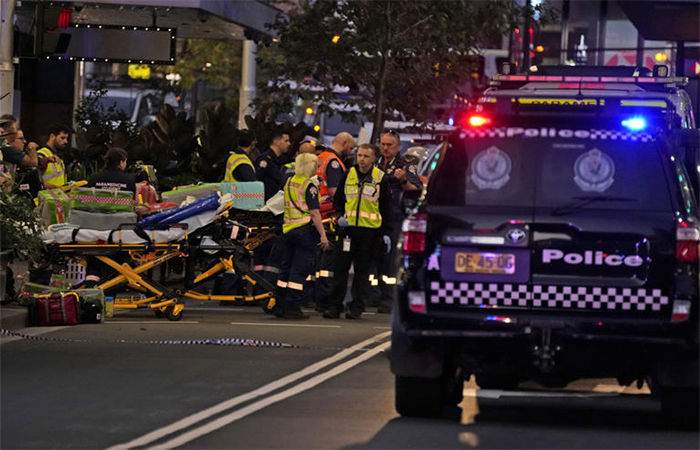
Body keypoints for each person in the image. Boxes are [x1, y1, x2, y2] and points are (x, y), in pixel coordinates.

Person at [323, 144, 392, 319]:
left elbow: (386, 208)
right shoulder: (349, 174)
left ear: (373, 158)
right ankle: (334, 306)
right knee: (340, 269)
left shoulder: (380, 178)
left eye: (366, 156)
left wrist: (386, 233)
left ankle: (356, 308)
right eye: (359, 155)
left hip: (370, 233)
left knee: (362, 272)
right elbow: (338, 200)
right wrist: (339, 216)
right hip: (348, 230)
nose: (361, 159)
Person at [275, 153, 331, 319]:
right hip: (304, 231)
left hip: (288, 230)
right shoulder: (310, 185)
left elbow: (299, 203)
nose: (317, 168)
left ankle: (280, 305)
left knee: (285, 269)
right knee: (299, 271)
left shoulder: (290, 181)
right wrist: (323, 236)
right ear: (310, 166)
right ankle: (293, 307)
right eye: (316, 165)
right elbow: (314, 213)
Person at [374, 130, 422, 313]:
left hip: (394, 217)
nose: (385, 148)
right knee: (375, 257)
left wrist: (403, 181)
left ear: (398, 147)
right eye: (383, 144)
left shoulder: (405, 164)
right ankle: (373, 294)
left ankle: (389, 298)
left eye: (389, 145)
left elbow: (416, 189)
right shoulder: (376, 162)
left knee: (392, 258)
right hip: (374, 216)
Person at [255, 132, 291, 201]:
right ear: (276, 141)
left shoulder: (281, 159)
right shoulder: (265, 159)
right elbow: (257, 181)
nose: (289, 143)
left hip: (276, 201)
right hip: (265, 201)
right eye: (286, 141)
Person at [37, 123, 72, 189]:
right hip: (45, 197)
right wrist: (57, 188)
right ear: (52, 136)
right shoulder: (42, 154)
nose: (66, 141)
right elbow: (36, 181)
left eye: (67, 138)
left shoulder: (58, 156)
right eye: (62, 138)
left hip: (58, 197)